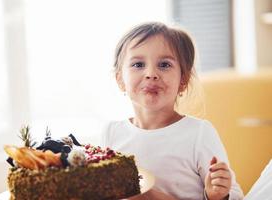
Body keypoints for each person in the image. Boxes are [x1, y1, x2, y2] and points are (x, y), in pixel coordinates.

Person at [101, 22, 244, 200]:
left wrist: (217, 194)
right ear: (120, 80)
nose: (151, 73)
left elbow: (236, 194)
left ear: (183, 80)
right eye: (138, 64)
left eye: (164, 65)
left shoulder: (198, 133)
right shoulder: (112, 133)